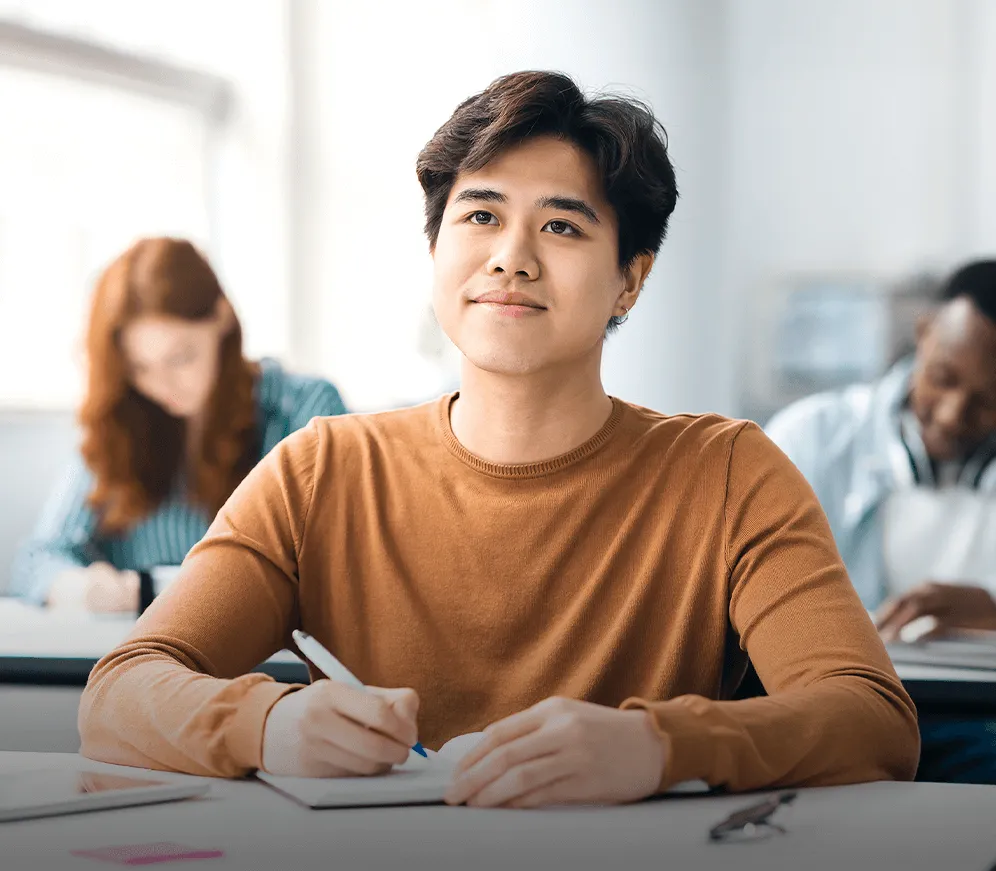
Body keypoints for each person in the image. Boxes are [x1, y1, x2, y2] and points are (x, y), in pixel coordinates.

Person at [78, 71, 918, 807]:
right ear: (437, 248)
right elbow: (118, 696)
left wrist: (663, 746)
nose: (511, 258)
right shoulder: (320, 468)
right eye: (480, 215)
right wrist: (270, 723)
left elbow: (871, 719)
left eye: (562, 227)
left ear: (631, 278)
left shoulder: (728, 472)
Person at [9, 236, 347, 614]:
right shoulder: (121, 418)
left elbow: (336, 564)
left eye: (181, 358)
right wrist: (82, 588)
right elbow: (38, 559)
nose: (162, 385)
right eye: (140, 367)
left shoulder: (303, 407)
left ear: (220, 318)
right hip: (145, 658)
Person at [765, 260, 996, 783]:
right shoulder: (811, 438)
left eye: (988, 402)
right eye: (943, 378)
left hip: (976, 719)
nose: (953, 415)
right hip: (833, 710)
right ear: (923, 333)